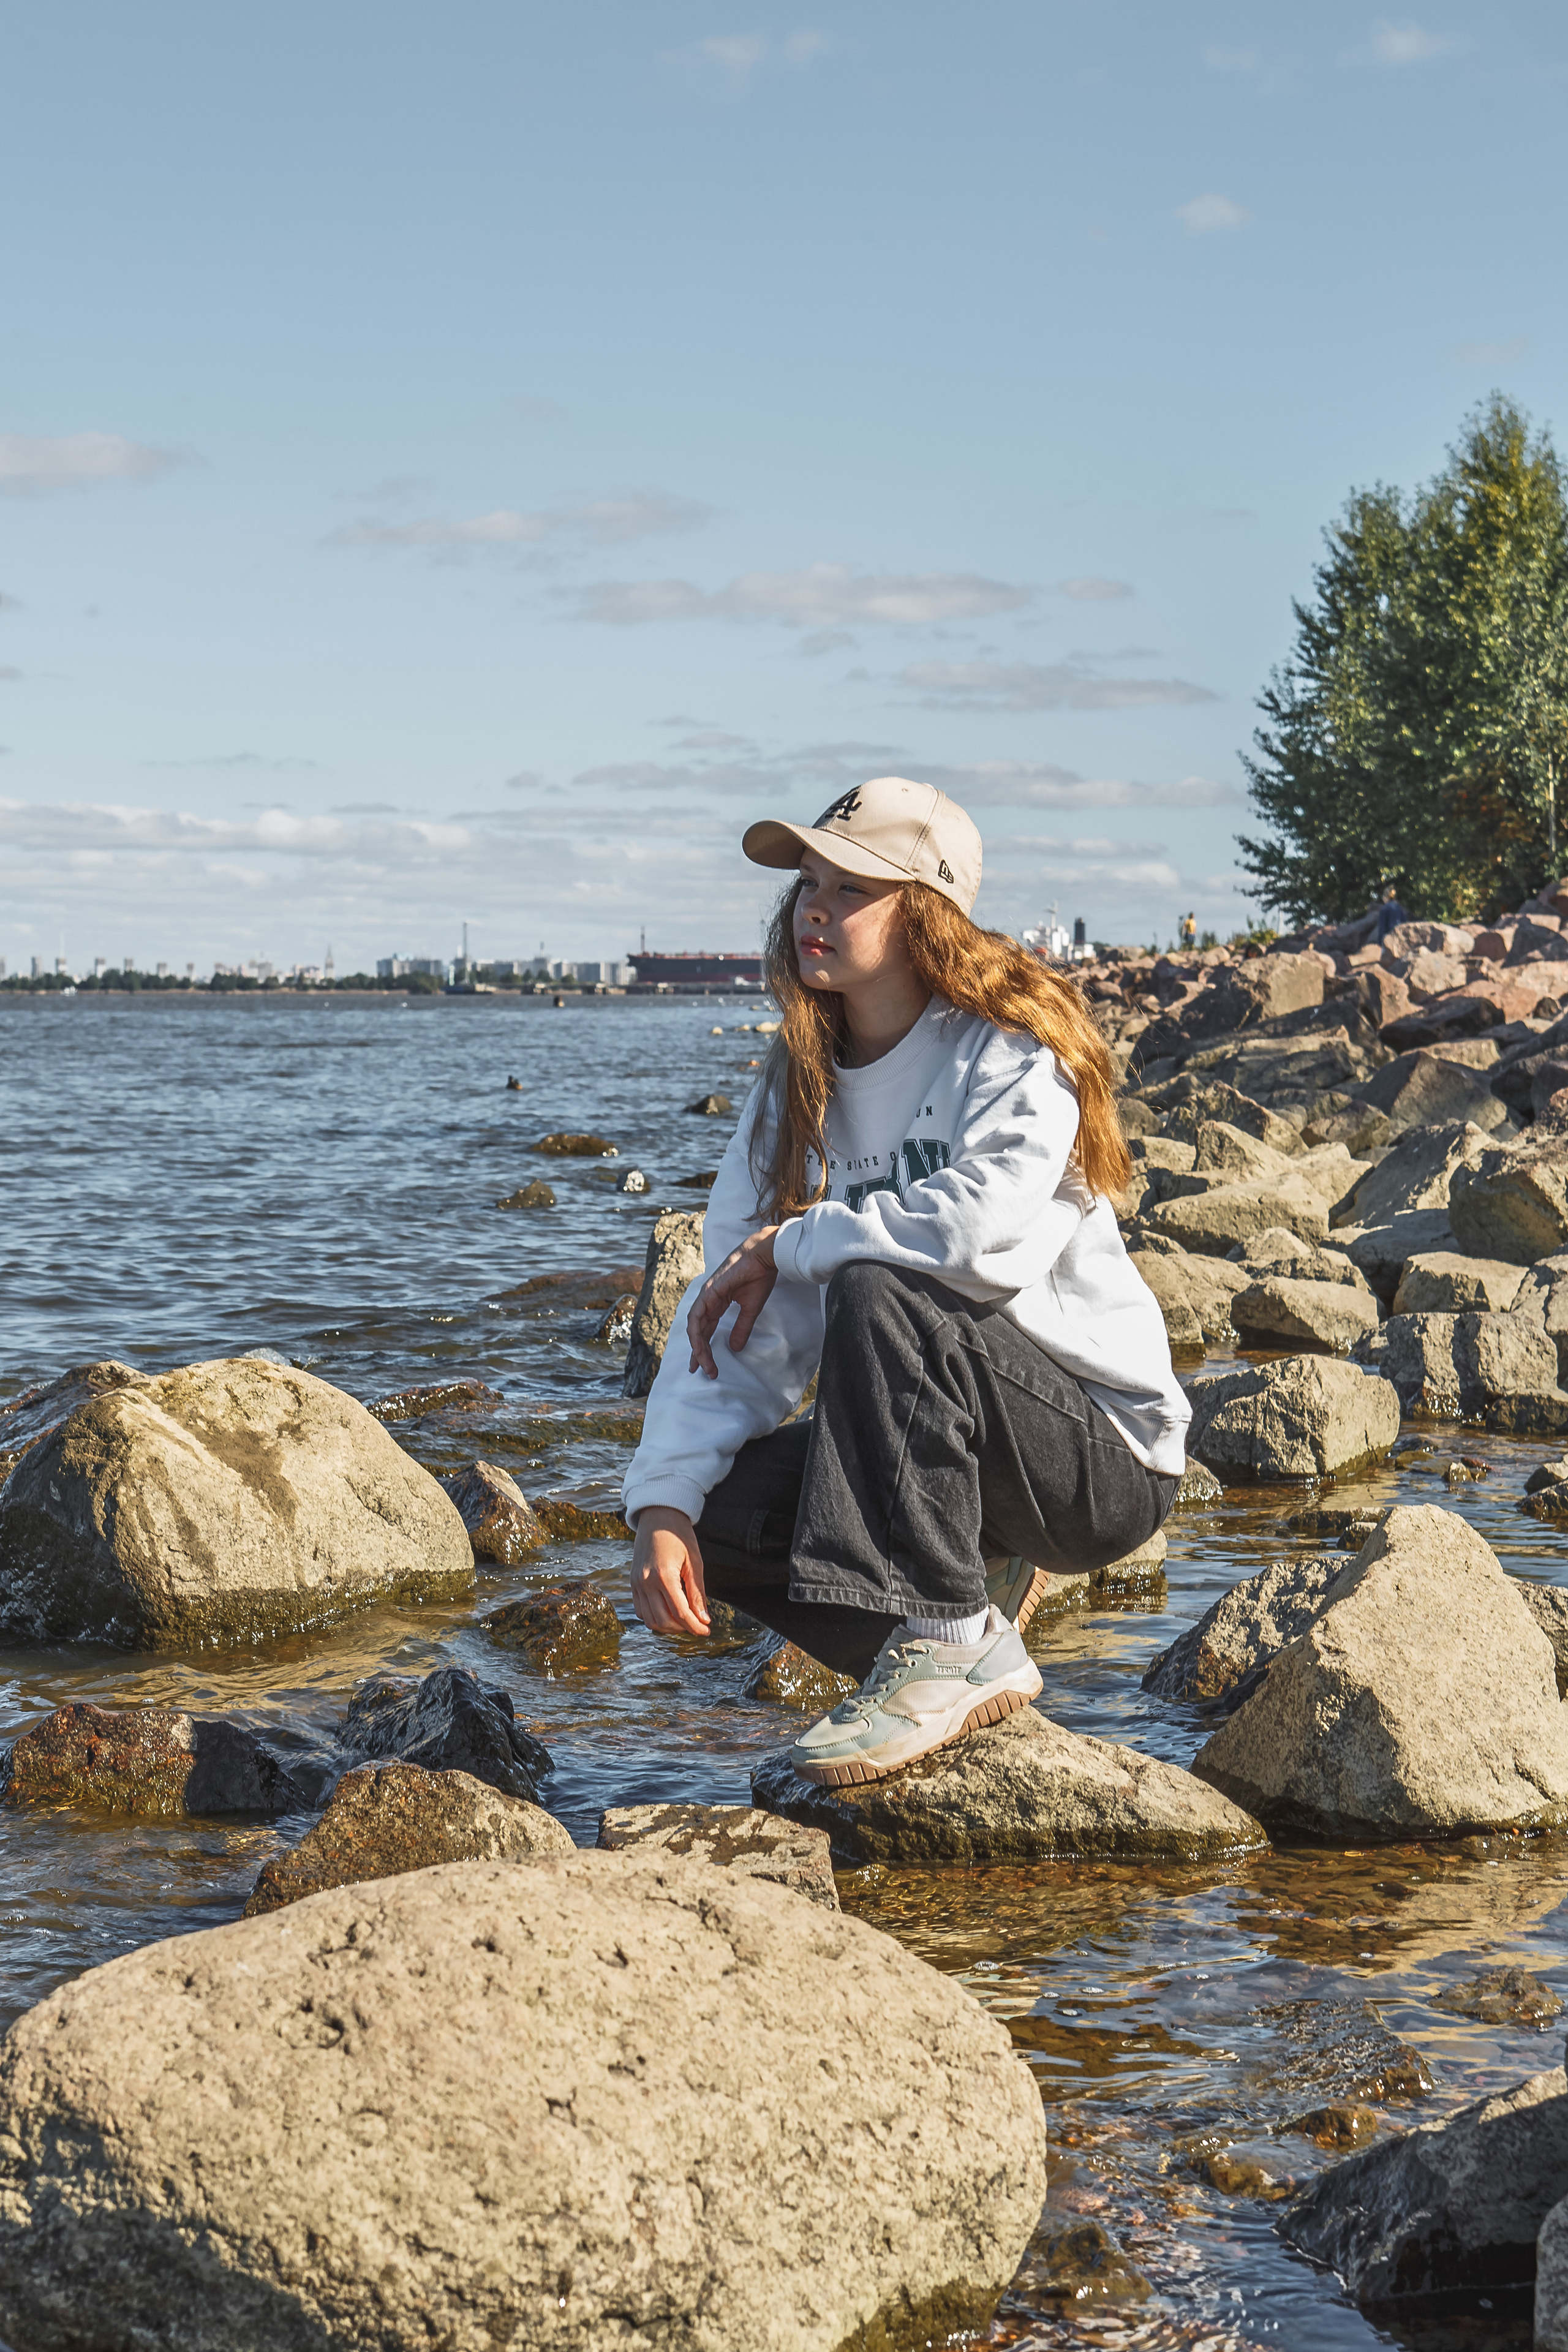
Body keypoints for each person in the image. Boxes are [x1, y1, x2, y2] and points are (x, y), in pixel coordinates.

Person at [623, 777, 1189, 1787]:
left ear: (928, 911)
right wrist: (661, 1502)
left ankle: (948, 1642)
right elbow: (734, 1318)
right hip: (953, 1450)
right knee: (712, 1511)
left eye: (852, 888)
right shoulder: (795, 1085)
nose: (815, 909)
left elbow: (974, 1240)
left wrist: (795, 1243)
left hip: (1098, 1457)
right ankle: (958, 1620)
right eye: (808, 885)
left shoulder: (1010, 1053)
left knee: (880, 1285)